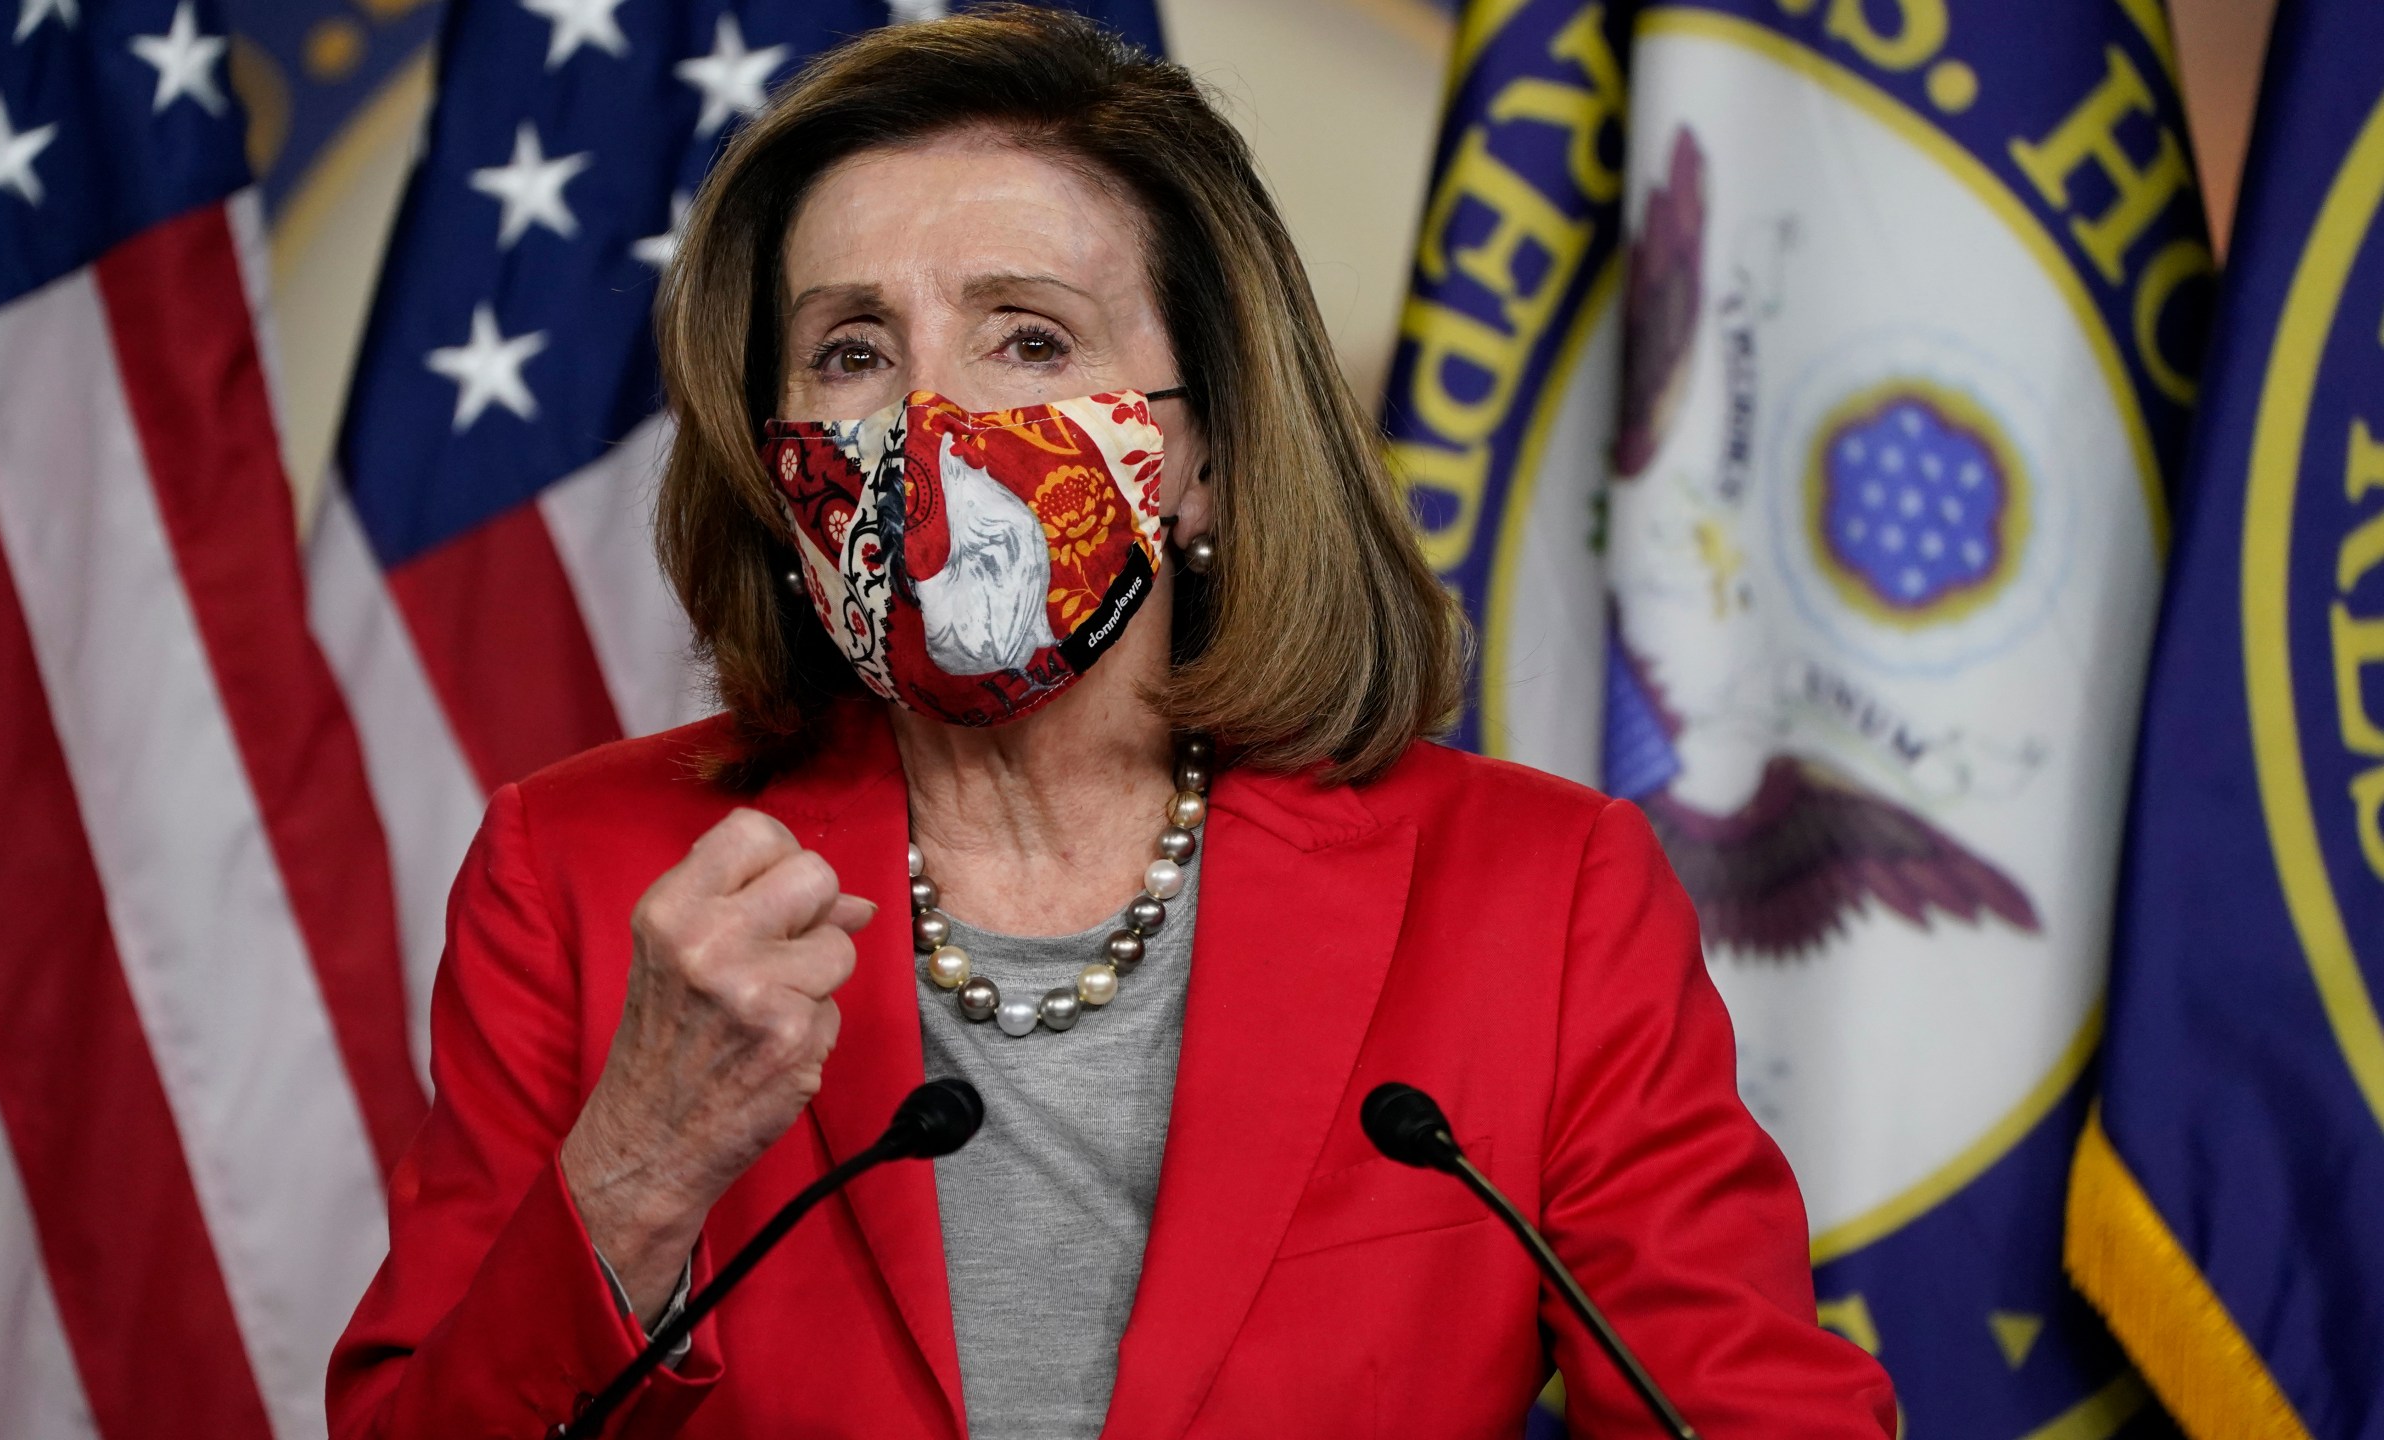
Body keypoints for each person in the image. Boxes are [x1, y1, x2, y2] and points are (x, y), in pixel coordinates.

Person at [324, 8, 1898, 1437]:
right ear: (776, 462)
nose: (931, 427)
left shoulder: (1538, 899)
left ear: (1203, 455)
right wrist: (637, 1173)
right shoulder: (587, 878)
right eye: (853, 352)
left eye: (1029, 338)